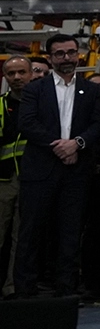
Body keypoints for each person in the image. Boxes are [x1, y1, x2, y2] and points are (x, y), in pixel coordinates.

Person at [13, 35, 100, 299]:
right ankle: (25, 291)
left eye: (71, 52)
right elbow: (27, 123)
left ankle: (66, 289)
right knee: (31, 232)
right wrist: (59, 146)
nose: (67, 58)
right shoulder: (35, 89)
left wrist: (77, 144)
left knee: (70, 232)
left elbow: (99, 124)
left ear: (79, 55)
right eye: (60, 53)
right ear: (50, 57)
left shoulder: (90, 91)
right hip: (40, 171)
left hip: (76, 172)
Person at [0, 57, 31, 299]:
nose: (17, 77)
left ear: (31, 74)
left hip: (32, 178)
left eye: (22, 72)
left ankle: (12, 287)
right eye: (11, 73)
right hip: (3, 179)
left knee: (21, 238)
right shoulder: (1, 105)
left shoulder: (42, 104)